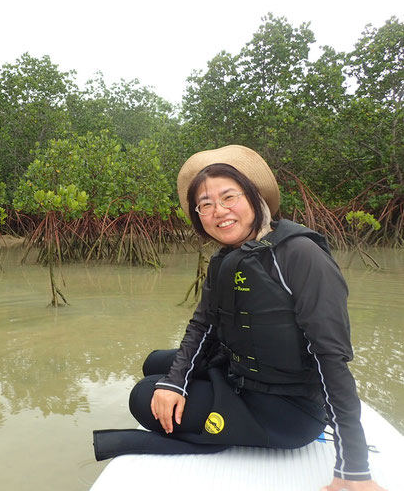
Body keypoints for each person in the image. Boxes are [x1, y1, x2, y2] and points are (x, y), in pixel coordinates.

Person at [93, 145, 386, 491]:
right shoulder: (226, 258)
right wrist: (175, 384)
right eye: (205, 204)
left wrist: (354, 470)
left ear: (255, 197)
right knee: (154, 365)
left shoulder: (300, 255)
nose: (218, 211)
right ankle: (194, 389)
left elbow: (331, 359)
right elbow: (203, 326)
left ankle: (230, 417)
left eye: (229, 197)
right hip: (241, 370)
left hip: (287, 408)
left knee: (142, 397)